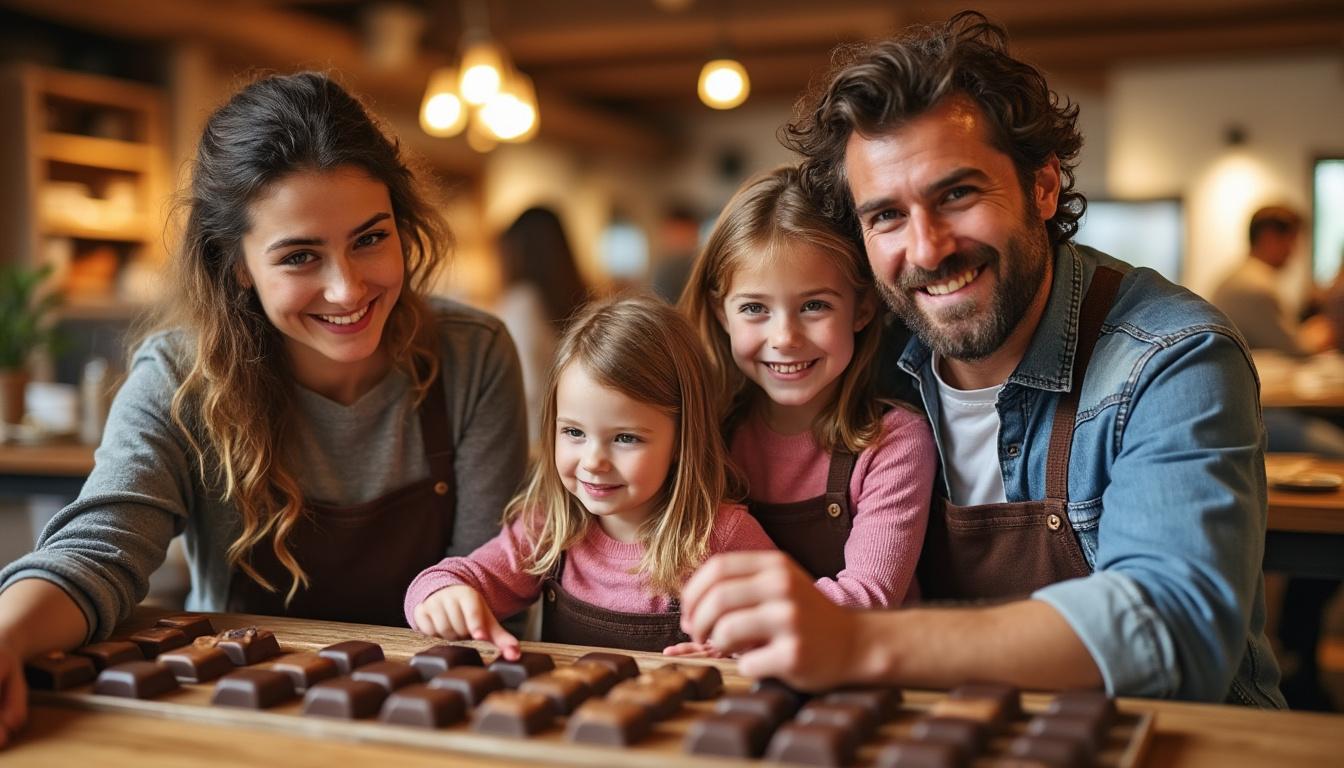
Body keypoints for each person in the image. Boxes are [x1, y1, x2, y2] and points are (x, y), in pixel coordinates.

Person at [678, 12, 1285, 707]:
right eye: (886, 216)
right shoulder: (863, 352)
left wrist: (855, 640)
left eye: (957, 194)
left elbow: (1174, 631)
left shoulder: (1172, 357)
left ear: (1043, 186)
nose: (927, 249)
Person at [0, 72, 527, 746]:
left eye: (370, 239)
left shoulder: (472, 354)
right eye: (301, 256)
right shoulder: (180, 376)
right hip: (236, 715)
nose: (347, 289)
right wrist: (7, 638)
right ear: (237, 265)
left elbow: (491, 580)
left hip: (432, 713)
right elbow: (98, 552)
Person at [404, 294, 776, 657]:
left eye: (625, 438)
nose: (594, 461)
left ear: (683, 439)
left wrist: (729, 650)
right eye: (574, 432)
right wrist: (443, 596)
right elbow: (455, 578)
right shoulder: (548, 527)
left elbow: (783, 628)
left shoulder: (724, 537)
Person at [677, 166, 935, 610]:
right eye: (754, 308)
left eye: (814, 305)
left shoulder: (894, 442)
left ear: (862, 309)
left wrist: (739, 629)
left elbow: (868, 596)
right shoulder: (705, 433)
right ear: (722, 314)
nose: (785, 338)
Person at [494, 206, 589, 441]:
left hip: (535, 438)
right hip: (575, 433)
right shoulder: (581, 300)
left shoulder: (522, 303)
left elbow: (525, 387)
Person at [1212, 206, 1332, 357]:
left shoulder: (1237, 277)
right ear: (1268, 238)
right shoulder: (1256, 287)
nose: (1294, 252)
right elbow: (1294, 350)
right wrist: (1322, 332)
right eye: (1292, 241)